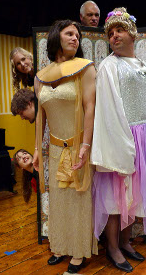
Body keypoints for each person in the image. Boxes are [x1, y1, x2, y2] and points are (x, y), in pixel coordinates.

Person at [90, 7, 146, 273]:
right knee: (114, 198)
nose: (114, 36)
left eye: (119, 30)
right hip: (122, 136)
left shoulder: (144, 64)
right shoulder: (110, 66)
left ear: (132, 33)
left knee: (133, 197)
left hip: (144, 136)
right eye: (110, 33)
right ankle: (111, 247)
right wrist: (125, 144)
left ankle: (125, 242)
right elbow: (110, 108)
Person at [33, 19, 97, 274]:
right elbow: (41, 115)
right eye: (69, 33)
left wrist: (85, 145)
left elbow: (90, 108)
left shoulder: (85, 69)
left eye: (78, 35)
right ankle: (59, 245)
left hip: (78, 147)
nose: (75, 38)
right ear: (55, 37)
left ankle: (78, 252)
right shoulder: (40, 76)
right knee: (58, 200)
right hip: (55, 149)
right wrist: (38, 149)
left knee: (78, 200)